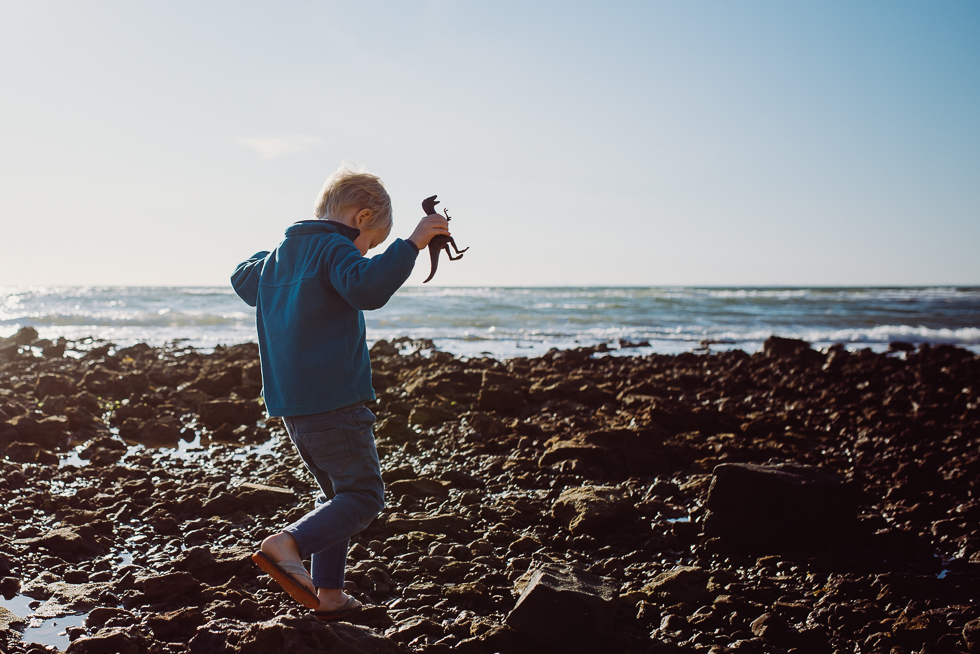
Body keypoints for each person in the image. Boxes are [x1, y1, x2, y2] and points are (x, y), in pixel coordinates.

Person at [230, 163, 450, 620]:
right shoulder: (333, 247)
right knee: (364, 496)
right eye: (370, 245)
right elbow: (367, 287)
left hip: (294, 406)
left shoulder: (280, 257)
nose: (365, 253)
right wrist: (411, 244)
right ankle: (286, 544)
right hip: (336, 400)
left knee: (338, 496)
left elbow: (242, 277)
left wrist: (287, 246)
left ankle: (328, 593)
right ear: (362, 218)